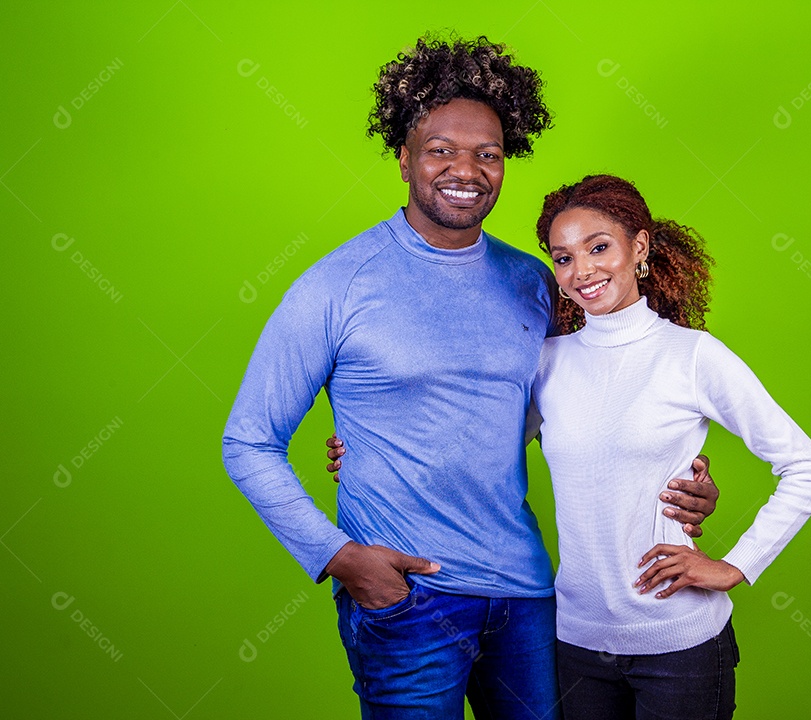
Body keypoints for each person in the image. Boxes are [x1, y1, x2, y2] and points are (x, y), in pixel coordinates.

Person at [222, 36, 717, 720]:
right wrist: (341, 558)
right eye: (441, 150)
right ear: (404, 158)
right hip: (409, 600)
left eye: (487, 153)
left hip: (531, 598)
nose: (466, 169)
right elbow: (247, 441)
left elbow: (589, 407)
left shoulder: (534, 282)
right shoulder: (336, 285)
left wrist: (681, 480)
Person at [528, 174, 811, 719]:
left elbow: (809, 467)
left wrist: (736, 565)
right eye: (563, 258)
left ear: (639, 247)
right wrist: (367, 447)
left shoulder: (692, 356)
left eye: (599, 247)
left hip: (680, 648)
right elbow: (477, 449)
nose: (582, 272)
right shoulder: (547, 362)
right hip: (576, 645)